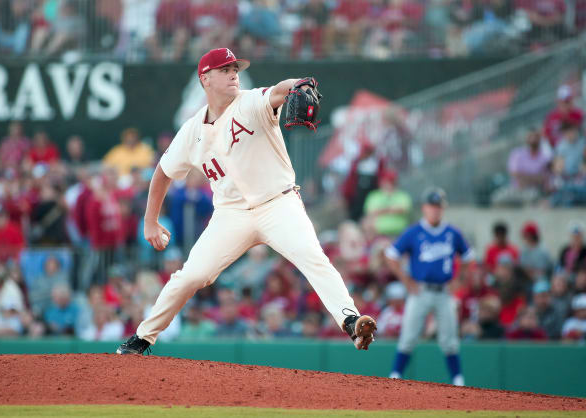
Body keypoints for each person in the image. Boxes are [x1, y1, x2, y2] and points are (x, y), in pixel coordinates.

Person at [117, 48, 376, 355]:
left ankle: (351, 321)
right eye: (225, 70)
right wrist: (150, 220)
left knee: (312, 257)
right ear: (205, 79)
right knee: (192, 275)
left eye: (235, 69)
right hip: (231, 215)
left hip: (278, 204)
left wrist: (298, 85)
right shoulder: (191, 131)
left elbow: (280, 90)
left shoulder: (251, 102)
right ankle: (143, 338)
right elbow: (162, 172)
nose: (233, 74)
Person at [385, 187, 474, 386]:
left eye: (438, 206)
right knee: (408, 337)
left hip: (443, 292)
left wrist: (459, 280)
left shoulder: (452, 232)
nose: (435, 210)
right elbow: (391, 255)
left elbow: (469, 257)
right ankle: (395, 376)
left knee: (449, 340)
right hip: (421, 290)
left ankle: (458, 381)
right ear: (424, 208)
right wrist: (406, 280)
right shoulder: (415, 231)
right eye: (432, 206)